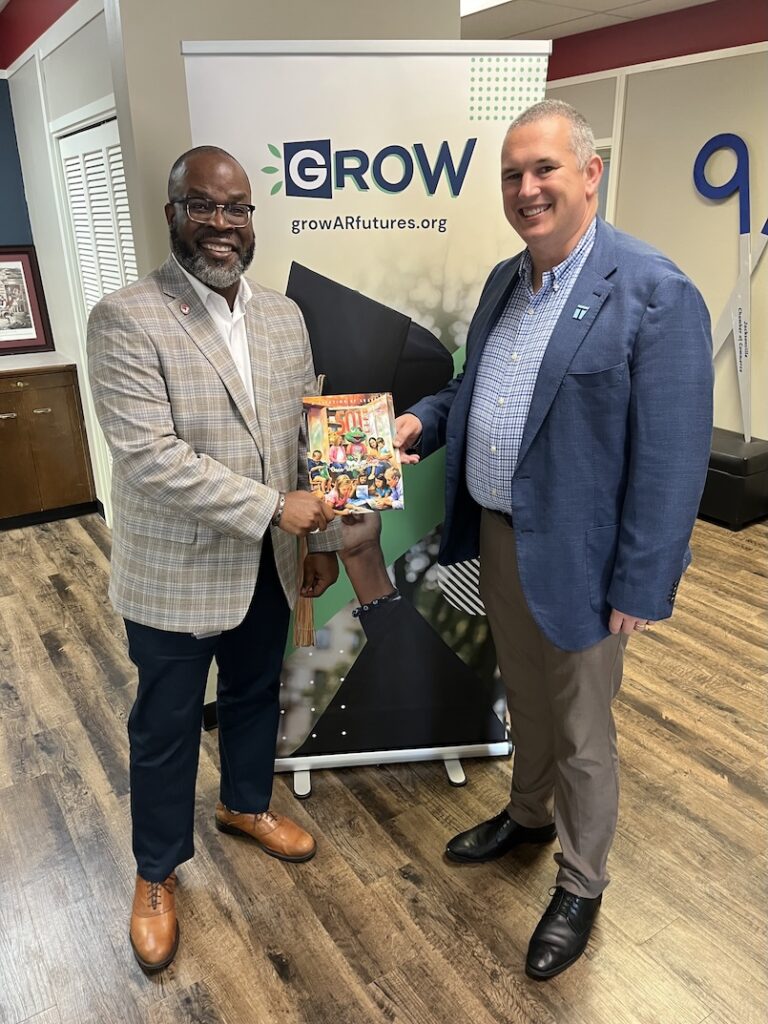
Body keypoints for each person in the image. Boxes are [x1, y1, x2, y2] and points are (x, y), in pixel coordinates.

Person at [394, 100, 713, 980]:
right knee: (526, 702)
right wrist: (422, 422)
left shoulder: (654, 290)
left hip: (586, 561)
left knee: (581, 728)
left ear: (590, 173)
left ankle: (581, 879)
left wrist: (641, 584)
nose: (527, 189)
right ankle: (529, 816)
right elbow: (474, 391)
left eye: (545, 169)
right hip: (501, 539)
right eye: (512, 175)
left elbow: (673, 459)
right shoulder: (508, 281)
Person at [87, 145, 340, 974]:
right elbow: (150, 458)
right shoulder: (126, 317)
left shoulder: (284, 317)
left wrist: (314, 540)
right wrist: (273, 508)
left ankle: (244, 804)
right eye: (203, 205)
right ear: (173, 214)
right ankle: (156, 871)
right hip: (176, 574)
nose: (222, 223)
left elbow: (302, 439)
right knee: (164, 727)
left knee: (253, 693)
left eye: (236, 208)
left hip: (268, 565)